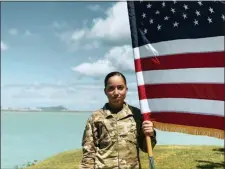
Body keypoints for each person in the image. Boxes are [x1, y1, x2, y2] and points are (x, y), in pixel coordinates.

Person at [79, 71, 157, 169]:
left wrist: (151, 133)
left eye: (120, 88)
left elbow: (146, 148)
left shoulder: (137, 115)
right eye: (111, 88)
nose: (116, 93)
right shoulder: (95, 118)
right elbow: (88, 154)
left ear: (126, 89)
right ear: (105, 91)